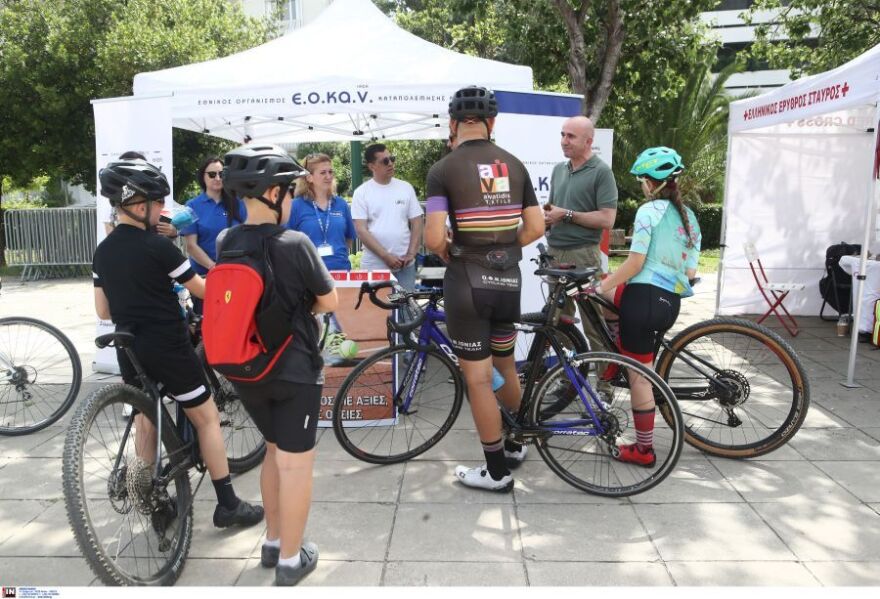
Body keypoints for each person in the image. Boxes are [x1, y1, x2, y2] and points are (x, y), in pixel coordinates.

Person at [91, 159, 265, 530]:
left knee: (146, 419)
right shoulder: (158, 247)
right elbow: (202, 289)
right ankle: (228, 504)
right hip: (167, 344)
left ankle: (154, 505)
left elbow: (102, 308)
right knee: (207, 418)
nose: (162, 213)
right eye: (157, 205)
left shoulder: (102, 251)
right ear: (140, 206)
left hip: (128, 347)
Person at [219, 144, 338, 586]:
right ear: (272, 193)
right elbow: (328, 300)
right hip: (293, 370)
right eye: (288, 191)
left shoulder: (225, 240)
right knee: (295, 463)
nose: (291, 199)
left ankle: (272, 541)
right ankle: (291, 558)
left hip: (246, 370)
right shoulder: (295, 243)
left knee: (272, 450)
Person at [424, 86, 544, 492]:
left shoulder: (443, 170)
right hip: (509, 280)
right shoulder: (514, 165)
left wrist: (452, 251)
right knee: (506, 364)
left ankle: (495, 471)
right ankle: (515, 443)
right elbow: (535, 227)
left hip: (467, 284)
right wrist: (504, 249)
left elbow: (433, 236)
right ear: (493, 123)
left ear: (453, 124)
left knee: (478, 378)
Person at [590, 147, 701, 465]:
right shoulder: (690, 218)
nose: (641, 186)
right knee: (609, 296)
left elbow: (636, 263)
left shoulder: (648, 213)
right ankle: (616, 353)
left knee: (640, 378)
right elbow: (690, 273)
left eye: (642, 181)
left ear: (651, 184)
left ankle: (643, 450)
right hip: (669, 303)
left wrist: (601, 285)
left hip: (643, 302)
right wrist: (608, 286)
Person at [543, 116, 618, 353]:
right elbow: (552, 208)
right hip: (555, 254)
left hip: (583, 256)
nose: (564, 141)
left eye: (570, 136)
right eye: (562, 135)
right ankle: (568, 382)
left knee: (593, 325)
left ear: (588, 141)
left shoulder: (602, 172)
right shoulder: (558, 169)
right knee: (557, 324)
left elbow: (607, 219)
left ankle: (604, 387)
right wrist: (546, 220)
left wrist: (566, 214)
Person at [180, 156, 247, 314]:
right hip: (205, 280)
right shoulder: (192, 205)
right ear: (203, 177)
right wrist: (214, 268)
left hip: (236, 277)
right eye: (212, 174)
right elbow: (191, 246)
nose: (217, 178)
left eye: (221, 174)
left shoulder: (238, 203)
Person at [352, 144, 424, 289]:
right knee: (377, 311)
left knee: (405, 310)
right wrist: (386, 256)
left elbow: (417, 221)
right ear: (372, 166)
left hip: (406, 264)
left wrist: (411, 253)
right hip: (375, 265)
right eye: (385, 161)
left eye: (392, 159)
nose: (390, 163)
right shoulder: (361, 192)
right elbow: (361, 230)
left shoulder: (405, 187)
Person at [287, 153, 356, 271]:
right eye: (323, 173)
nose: (328, 176)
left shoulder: (341, 204)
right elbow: (287, 243)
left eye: (330, 172)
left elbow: (349, 239)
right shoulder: (296, 206)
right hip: (309, 275)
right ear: (309, 177)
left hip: (341, 272)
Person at [100, 151, 179, 239]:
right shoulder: (113, 205)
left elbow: (170, 234)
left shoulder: (157, 197)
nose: (161, 205)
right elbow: (110, 235)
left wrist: (173, 232)